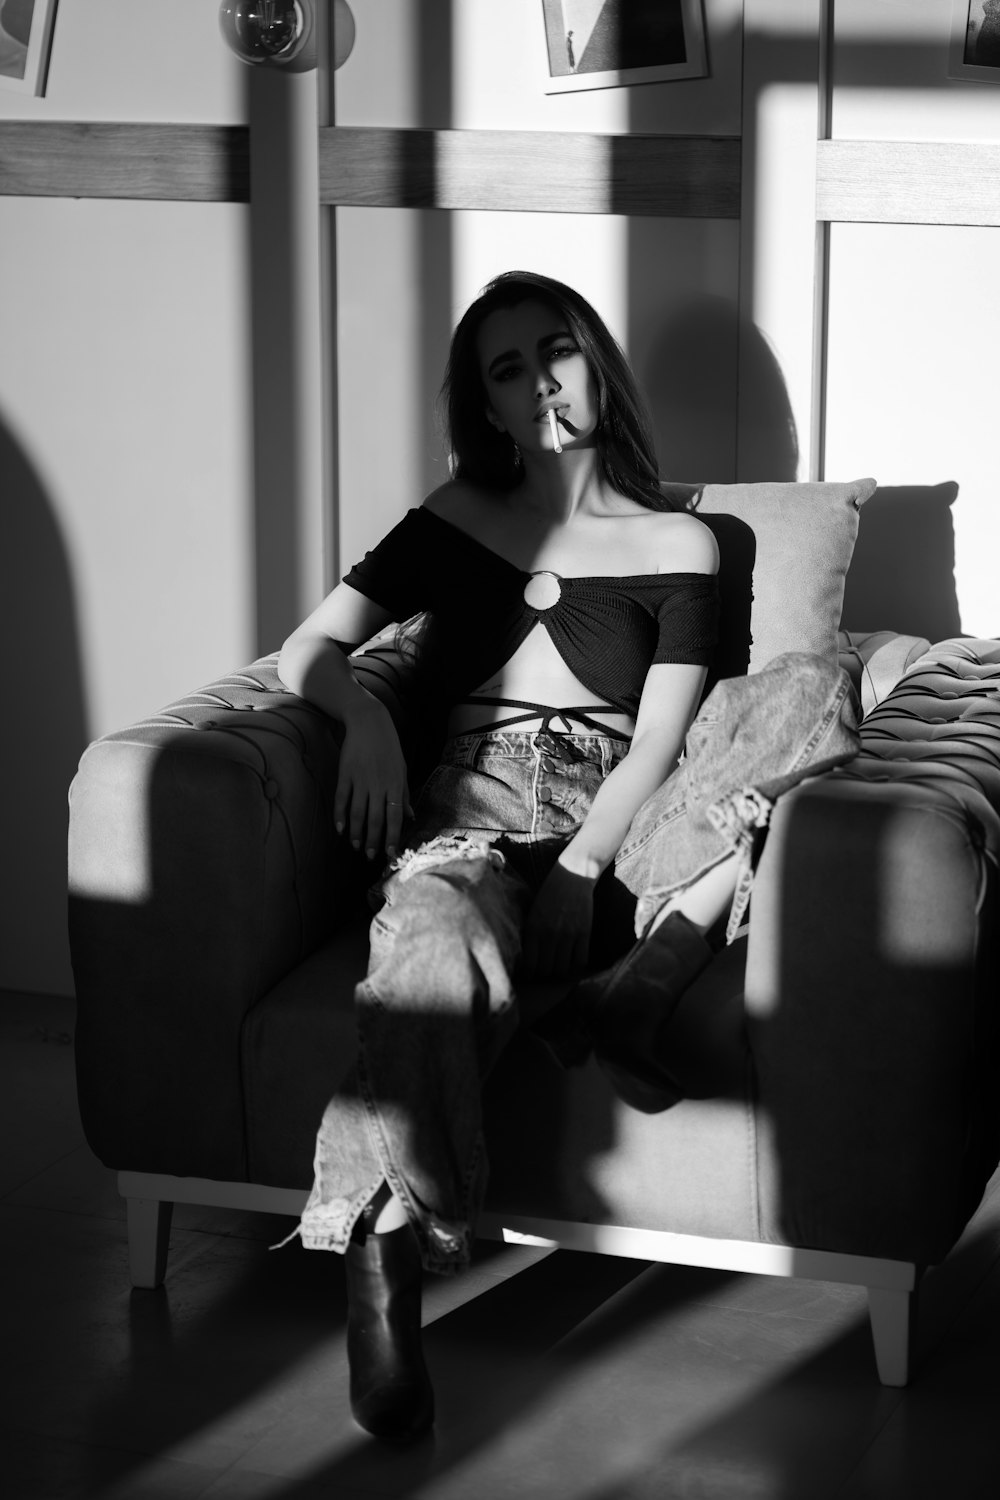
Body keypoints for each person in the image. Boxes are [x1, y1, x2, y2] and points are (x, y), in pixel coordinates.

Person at [276, 270, 859, 1441]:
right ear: (485, 407)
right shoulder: (451, 520)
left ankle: (630, 982)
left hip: (620, 815)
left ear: (595, 364)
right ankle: (386, 1262)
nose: (540, 381)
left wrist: (591, 860)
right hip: (472, 813)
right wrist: (374, 722)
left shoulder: (686, 540)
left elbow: (660, 740)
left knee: (809, 693)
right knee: (433, 939)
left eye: (556, 350)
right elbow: (309, 653)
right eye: (506, 369)